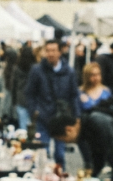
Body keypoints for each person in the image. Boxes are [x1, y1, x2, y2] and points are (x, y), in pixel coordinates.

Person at [24, 38, 80, 166]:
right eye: (48, 50)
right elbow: (30, 93)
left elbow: (74, 95)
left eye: (54, 50)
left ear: (60, 52)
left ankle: (60, 177)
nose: (50, 54)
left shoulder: (69, 71)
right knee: (43, 152)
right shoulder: (37, 70)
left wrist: (77, 116)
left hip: (61, 118)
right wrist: (34, 111)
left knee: (60, 154)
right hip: (43, 116)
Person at [11, 42, 37, 130]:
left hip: (20, 99)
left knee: (23, 127)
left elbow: (13, 86)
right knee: (33, 126)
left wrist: (14, 101)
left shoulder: (16, 68)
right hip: (33, 100)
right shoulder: (35, 68)